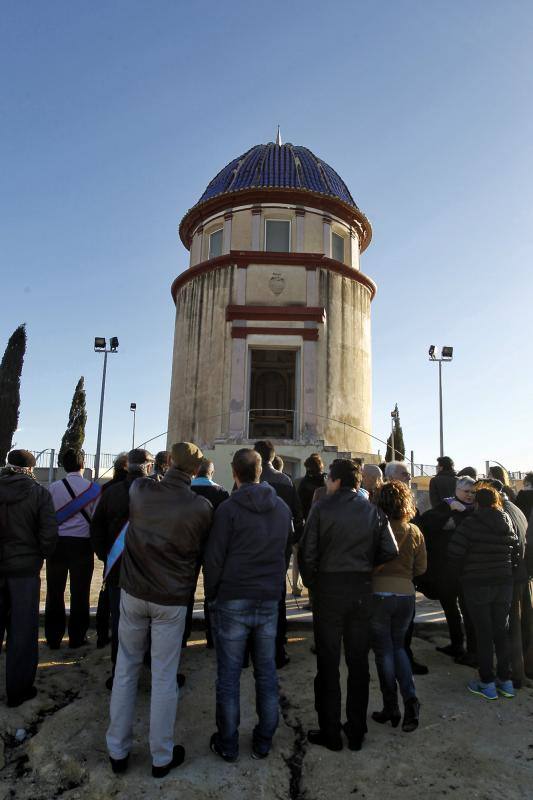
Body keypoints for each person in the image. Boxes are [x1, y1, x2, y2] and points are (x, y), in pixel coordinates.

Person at [106, 442, 212, 777]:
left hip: (134, 592)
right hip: (171, 598)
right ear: (195, 471)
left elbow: (141, 480)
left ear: (166, 464)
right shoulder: (201, 507)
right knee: (164, 677)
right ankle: (161, 756)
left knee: (126, 669)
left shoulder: (139, 490)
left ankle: (117, 751)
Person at [299, 459, 398, 751]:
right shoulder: (373, 511)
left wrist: (312, 583)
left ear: (337, 480)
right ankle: (356, 730)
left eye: (329, 477)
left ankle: (330, 732)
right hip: (361, 590)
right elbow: (389, 550)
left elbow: (308, 552)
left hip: (329, 590)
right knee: (358, 663)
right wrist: (366, 569)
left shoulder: (321, 508)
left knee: (328, 663)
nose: (326, 482)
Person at [204, 448, 292, 762]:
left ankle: (228, 743)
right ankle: (264, 741)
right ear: (261, 471)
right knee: (266, 673)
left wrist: (212, 594)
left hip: (232, 598)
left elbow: (214, 558)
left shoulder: (227, 510)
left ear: (235, 472)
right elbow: (284, 553)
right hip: (268, 598)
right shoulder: (281, 509)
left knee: (228, 676)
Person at [90, 449, 155, 686]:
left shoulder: (110, 492)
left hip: (118, 568)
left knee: (121, 622)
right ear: (148, 467)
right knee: (149, 623)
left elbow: (95, 528)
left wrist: (104, 554)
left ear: (128, 466)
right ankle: (147, 668)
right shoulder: (158, 494)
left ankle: (120, 671)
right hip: (149, 571)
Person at [449, 486, 519, 700]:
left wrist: (461, 575)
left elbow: (454, 553)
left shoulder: (470, 523)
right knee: (501, 631)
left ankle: (486, 682)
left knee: (484, 634)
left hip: (477, 583)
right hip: (504, 583)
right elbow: (515, 550)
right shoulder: (507, 522)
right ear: (497, 501)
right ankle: (505, 681)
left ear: (477, 503)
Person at [0, 450, 58, 707]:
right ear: (32, 468)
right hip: (25, 572)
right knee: (22, 633)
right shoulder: (40, 494)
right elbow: (49, 535)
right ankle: (18, 690)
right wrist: (40, 556)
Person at [371, 480, 427, 732]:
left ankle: (391, 706)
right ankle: (411, 700)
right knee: (400, 648)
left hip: (379, 594)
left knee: (383, 652)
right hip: (406, 594)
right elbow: (421, 568)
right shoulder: (414, 531)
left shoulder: (376, 527)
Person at [254, 440, 303, 668]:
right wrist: (291, 542)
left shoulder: (247, 480)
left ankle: (253, 644)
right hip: (279, 548)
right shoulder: (286, 481)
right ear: (273, 458)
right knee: (278, 594)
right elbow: (298, 518)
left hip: (251, 547)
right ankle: (277, 645)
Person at [45, 449, 100, 649]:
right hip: (82, 546)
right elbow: (95, 518)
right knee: (80, 592)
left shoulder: (53, 488)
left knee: (54, 592)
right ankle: (77, 638)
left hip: (57, 545)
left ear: (63, 465)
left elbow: (49, 516)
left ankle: (53, 637)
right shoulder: (93, 489)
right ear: (82, 465)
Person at [419, 476, 477, 663]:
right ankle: (457, 644)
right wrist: (450, 515)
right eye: (466, 492)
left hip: (467, 570)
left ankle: (472, 650)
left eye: (472, 492)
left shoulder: (476, 509)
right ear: (457, 491)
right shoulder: (446, 506)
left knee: (467, 611)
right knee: (450, 608)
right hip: (446, 570)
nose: (469, 495)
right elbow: (427, 522)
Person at [383, 460, 427, 674]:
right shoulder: (378, 512)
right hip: (401, 585)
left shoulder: (412, 509)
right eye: (404, 474)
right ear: (390, 477)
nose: (409, 478)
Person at [190, 459, 229, 648]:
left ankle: (182, 635)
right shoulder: (221, 493)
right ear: (211, 473)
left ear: (196, 472)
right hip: (212, 549)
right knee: (211, 593)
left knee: (186, 591)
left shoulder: (186, 490)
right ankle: (212, 638)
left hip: (188, 547)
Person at [96, 452, 129, 648]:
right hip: (126, 553)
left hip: (111, 552)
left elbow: (96, 524)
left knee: (107, 594)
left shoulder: (105, 489)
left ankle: (102, 634)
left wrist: (102, 552)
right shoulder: (140, 489)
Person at [294, 454, 326, 597]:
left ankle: (297, 587)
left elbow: (299, 506)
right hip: (324, 526)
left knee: (302, 558)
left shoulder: (302, 482)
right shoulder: (326, 482)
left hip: (307, 524)